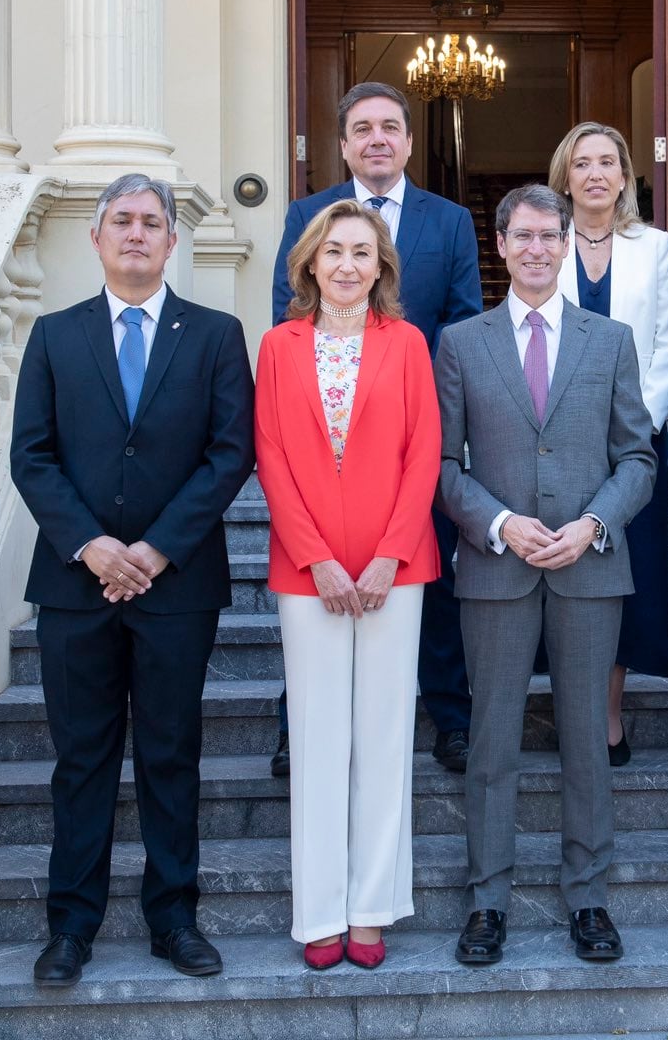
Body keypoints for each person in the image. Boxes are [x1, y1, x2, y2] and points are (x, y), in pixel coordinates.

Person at [11, 174, 256, 987]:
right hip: (75, 586)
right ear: (97, 238)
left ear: (172, 240)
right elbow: (32, 457)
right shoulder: (53, 335)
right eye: (123, 221)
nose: (138, 233)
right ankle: (71, 927)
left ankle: (173, 918)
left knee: (169, 752)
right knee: (81, 759)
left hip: (176, 586)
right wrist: (91, 546)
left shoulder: (216, 335)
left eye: (153, 221)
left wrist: (154, 550)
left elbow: (231, 453)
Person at [435, 184, 656, 967]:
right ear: (500, 245)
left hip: (589, 568)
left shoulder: (611, 340)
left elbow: (637, 456)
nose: (535, 249)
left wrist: (595, 523)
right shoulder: (461, 343)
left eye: (547, 236)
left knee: (586, 744)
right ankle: (488, 899)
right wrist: (498, 523)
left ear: (567, 243)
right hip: (496, 568)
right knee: (492, 741)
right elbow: (441, 465)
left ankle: (588, 897)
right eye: (520, 236)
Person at [269, 80, 484, 778]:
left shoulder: (448, 219)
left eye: (390, 126)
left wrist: (429, 412)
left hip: (414, 430)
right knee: (311, 589)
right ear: (343, 144)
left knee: (436, 575)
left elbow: (460, 322)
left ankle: (449, 716)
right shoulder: (308, 213)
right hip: (326, 431)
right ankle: (292, 725)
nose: (378, 139)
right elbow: (286, 311)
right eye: (362, 128)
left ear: (410, 140)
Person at [255, 199, 442, 971]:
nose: (346, 266)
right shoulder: (278, 345)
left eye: (362, 253)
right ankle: (321, 912)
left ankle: (371, 907)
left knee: (385, 740)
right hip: (311, 575)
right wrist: (317, 558)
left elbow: (425, 451)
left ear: (381, 267)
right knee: (321, 740)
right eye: (333, 251)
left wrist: (389, 555)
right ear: (309, 263)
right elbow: (270, 456)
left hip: (395, 571)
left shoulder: (408, 344)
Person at [547, 122, 668, 767]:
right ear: (565, 176)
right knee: (566, 575)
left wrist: (639, 426)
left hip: (636, 446)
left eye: (608, 162)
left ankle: (607, 719)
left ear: (626, 176)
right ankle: (566, 709)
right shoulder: (546, 241)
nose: (596, 174)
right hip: (559, 440)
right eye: (583, 164)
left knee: (628, 581)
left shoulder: (653, 246)